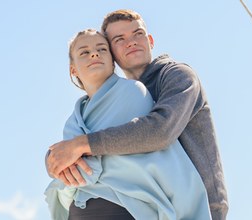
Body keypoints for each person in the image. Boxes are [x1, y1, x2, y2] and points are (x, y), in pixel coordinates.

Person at [47, 9, 229, 220]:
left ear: (150, 40)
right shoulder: (111, 96)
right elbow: (80, 134)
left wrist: (81, 145)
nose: (131, 42)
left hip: (198, 207)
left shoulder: (176, 75)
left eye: (138, 33)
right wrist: (54, 161)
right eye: (119, 39)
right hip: (143, 206)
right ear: (112, 54)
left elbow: (160, 130)